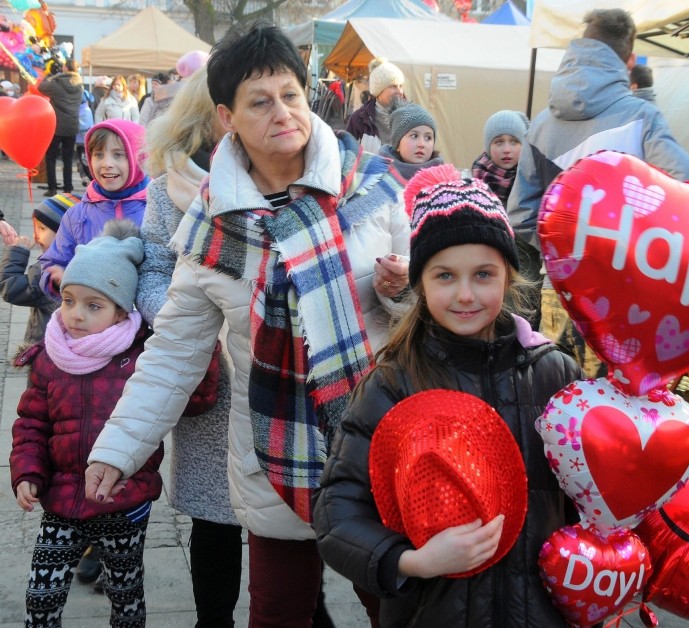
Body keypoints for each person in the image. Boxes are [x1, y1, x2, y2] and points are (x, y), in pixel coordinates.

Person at [84, 21, 410, 627]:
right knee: (279, 613)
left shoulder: (371, 187)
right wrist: (120, 447)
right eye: (260, 102)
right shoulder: (210, 229)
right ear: (227, 117)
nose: (282, 112)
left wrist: (403, 291)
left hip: (378, 439)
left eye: (290, 94)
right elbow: (174, 352)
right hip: (273, 449)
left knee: (399, 608)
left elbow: (426, 315)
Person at [314, 164, 582, 627]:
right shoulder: (395, 382)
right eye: (444, 276)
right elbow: (336, 513)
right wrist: (414, 562)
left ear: (509, 276)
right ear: (419, 282)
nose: (465, 295)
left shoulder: (555, 377)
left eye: (483, 274)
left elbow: (591, 503)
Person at [507, 8, 689, 372]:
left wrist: (564, 249)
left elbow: (520, 215)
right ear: (628, 60)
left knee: (561, 396)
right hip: (630, 289)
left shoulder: (540, 126)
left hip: (560, 288)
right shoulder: (643, 116)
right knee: (621, 407)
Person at [10, 220, 163, 627]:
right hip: (60, 499)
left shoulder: (142, 357)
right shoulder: (49, 356)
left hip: (123, 500)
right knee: (41, 600)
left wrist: (203, 352)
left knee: (126, 598)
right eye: (68, 300)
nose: (75, 315)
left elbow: (186, 404)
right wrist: (27, 471)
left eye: (93, 305)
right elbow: (31, 423)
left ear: (120, 311)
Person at [138, 65, 244, 626]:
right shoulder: (167, 189)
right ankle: (214, 619)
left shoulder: (285, 180)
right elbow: (153, 270)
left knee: (295, 517)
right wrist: (186, 324)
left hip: (275, 368)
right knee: (215, 518)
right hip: (210, 375)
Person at [39, 119, 149, 299]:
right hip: (94, 318)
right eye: (98, 155)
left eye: (118, 154)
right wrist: (56, 276)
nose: (107, 163)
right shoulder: (77, 215)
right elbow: (52, 261)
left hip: (147, 318)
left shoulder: (155, 209)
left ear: (138, 157)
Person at [0, 193, 77, 343]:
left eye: (42, 228)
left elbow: (9, 288)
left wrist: (18, 251)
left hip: (45, 346)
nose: (35, 236)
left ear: (64, 234)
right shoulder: (81, 260)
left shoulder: (48, 270)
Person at [38, 57, 83, 196]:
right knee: (68, 158)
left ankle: (52, 188)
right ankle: (68, 188)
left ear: (66, 68)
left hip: (56, 125)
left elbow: (41, 87)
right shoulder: (79, 85)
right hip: (71, 125)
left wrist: (51, 75)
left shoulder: (57, 82)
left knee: (51, 156)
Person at [346, 57, 406, 153]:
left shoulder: (410, 117)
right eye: (393, 86)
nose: (399, 91)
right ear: (378, 91)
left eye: (400, 86)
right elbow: (348, 153)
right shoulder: (359, 119)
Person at [471, 110, 529, 207]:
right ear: (488, 147)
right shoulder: (470, 187)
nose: (506, 150)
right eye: (499, 142)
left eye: (514, 142)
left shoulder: (533, 184)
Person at [378, 102, 443, 181]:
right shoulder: (377, 177)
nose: (422, 144)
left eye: (428, 138)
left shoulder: (444, 180)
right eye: (414, 136)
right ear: (398, 144)